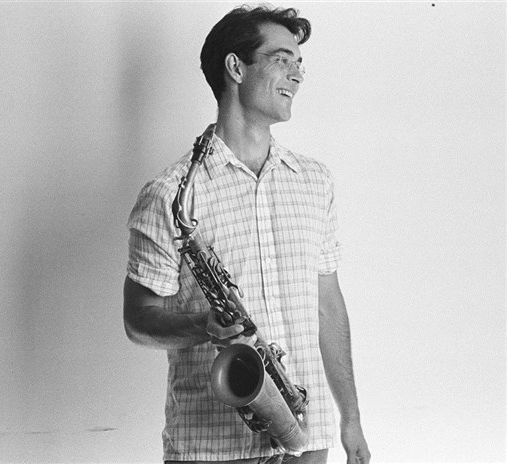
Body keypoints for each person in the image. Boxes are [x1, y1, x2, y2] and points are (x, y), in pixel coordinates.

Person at [123, 5, 370, 464]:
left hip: (306, 441)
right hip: (213, 446)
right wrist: (203, 324)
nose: (297, 75)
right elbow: (138, 320)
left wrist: (350, 417)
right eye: (282, 59)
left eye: (300, 63)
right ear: (235, 67)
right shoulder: (170, 193)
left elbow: (328, 305)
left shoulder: (315, 182)